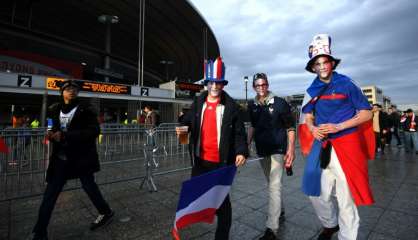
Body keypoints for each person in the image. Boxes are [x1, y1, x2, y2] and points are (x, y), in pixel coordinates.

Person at [299, 34, 375, 240]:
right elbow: (308, 114)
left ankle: (347, 236)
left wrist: (339, 125)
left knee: (345, 199)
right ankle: (330, 223)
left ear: (331, 63)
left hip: (347, 145)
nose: (322, 66)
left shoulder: (347, 83)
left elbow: (367, 113)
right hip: (322, 145)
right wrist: (312, 128)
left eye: (325, 62)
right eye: (318, 63)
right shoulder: (312, 88)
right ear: (313, 67)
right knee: (314, 191)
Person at [176, 57, 248, 240]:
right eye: (211, 83)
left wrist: (241, 151)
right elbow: (189, 120)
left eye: (218, 83)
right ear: (207, 83)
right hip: (201, 161)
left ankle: (221, 236)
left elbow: (239, 133)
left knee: (223, 203)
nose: (215, 87)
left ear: (223, 85)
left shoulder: (232, 107)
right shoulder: (199, 101)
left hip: (221, 163)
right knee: (199, 196)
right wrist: (182, 124)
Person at [32, 80, 113, 240]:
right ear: (62, 92)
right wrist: (50, 132)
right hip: (61, 159)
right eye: (67, 89)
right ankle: (40, 232)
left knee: (89, 186)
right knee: (50, 194)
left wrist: (66, 135)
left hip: (82, 157)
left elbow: (94, 131)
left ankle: (105, 212)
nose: (71, 91)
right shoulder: (54, 109)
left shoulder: (86, 109)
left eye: (74, 88)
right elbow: (49, 124)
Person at [247, 72, 296, 240]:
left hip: (278, 149)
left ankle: (271, 228)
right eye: (258, 85)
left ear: (268, 85)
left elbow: (290, 127)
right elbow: (253, 126)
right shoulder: (252, 105)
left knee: (274, 186)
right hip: (262, 149)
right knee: (271, 183)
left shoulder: (280, 103)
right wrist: (247, 144)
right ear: (254, 87)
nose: (261, 87)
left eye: (264, 84)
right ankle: (280, 209)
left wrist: (291, 149)